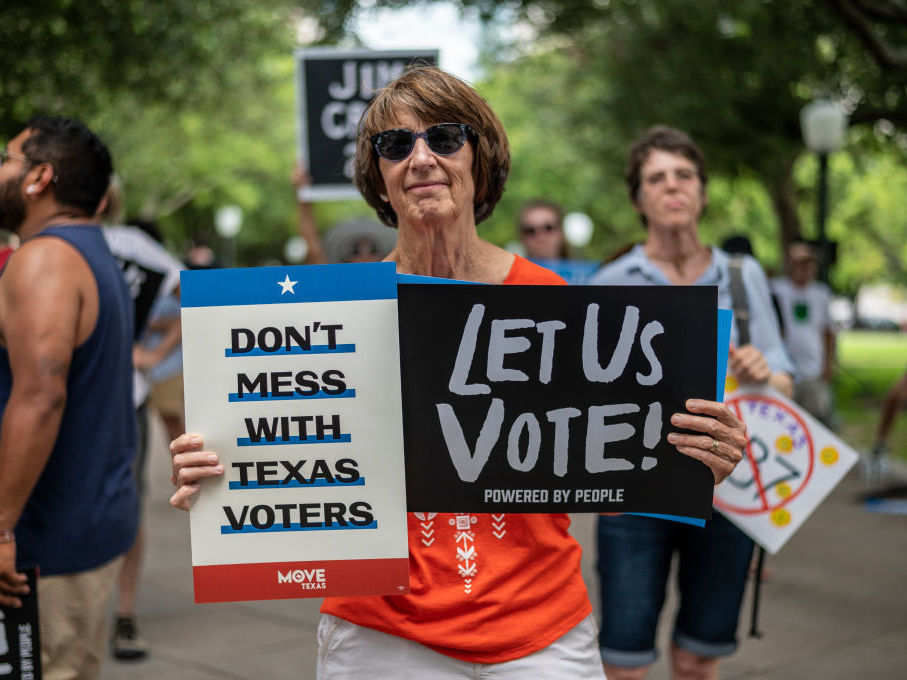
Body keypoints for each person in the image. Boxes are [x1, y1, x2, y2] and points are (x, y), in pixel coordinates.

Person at [169, 68, 748, 679]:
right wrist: (224, 470)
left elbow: (613, 458)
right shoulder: (329, 316)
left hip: (542, 632)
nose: (420, 158)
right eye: (395, 145)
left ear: (481, 160)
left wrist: (698, 453)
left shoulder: (551, 299)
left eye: (444, 138)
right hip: (381, 635)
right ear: (380, 177)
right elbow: (282, 439)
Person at [586, 125, 794, 680]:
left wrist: (762, 373)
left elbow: (786, 384)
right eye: (657, 178)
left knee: (698, 657)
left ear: (703, 192)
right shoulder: (610, 282)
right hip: (635, 494)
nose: (672, 187)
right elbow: (587, 399)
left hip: (728, 490)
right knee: (623, 661)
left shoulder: (743, 275)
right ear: (638, 198)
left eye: (684, 176)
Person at [0, 116, 138, 679]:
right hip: (82, 525)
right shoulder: (88, 250)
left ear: (39, 178)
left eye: (6, 159)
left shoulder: (46, 260)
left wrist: (2, 528)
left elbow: (41, 397)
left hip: (45, 543)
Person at [771, 239, 837, 428]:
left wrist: (828, 363)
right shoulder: (776, 289)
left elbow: (828, 331)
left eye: (809, 263)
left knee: (814, 422)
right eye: (799, 262)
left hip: (811, 368)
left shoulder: (821, 293)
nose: (804, 268)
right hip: (783, 369)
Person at [292, 165, 397, 264]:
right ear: (345, 258)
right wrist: (304, 195)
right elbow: (313, 251)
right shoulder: (335, 282)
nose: (365, 256)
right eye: (355, 250)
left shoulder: (398, 278)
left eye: (374, 249)